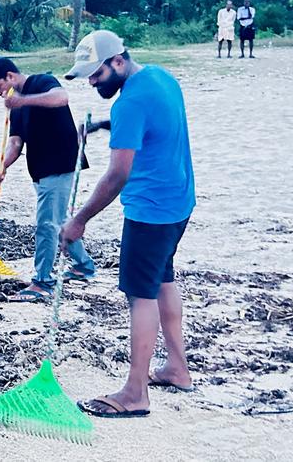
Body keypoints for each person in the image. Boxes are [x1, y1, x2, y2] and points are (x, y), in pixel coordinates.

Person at [61, 30, 196, 419]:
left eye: (96, 74)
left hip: (149, 211)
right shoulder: (159, 77)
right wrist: (104, 125)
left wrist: (79, 221)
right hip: (178, 203)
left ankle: (135, 392)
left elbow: (117, 175)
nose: (91, 82)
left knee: (140, 295)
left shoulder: (129, 104)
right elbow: (153, 124)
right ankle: (176, 368)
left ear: (117, 62)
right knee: (162, 280)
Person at [0, 57, 97, 303]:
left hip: (60, 163)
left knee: (46, 225)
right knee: (59, 218)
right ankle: (84, 266)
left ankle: (42, 281)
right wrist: (2, 166)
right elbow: (15, 142)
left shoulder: (42, 82)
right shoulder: (16, 107)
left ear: (10, 77)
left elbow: (61, 98)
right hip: (40, 168)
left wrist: (21, 100)